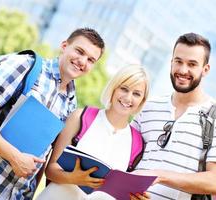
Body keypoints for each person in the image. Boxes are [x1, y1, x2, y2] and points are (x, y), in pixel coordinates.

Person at [0, 27, 105, 200]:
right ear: (64, 45)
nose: (82, 61)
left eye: (91, 60)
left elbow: (43, 156)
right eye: (79, 51)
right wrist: (16, 158)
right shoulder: (25, 66)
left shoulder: (71, 104)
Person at [130, 33, 216, 200]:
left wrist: (160, 176)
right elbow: (128, 157)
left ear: (205, 69)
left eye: (192, 64)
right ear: (171, 62)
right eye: (178, 61)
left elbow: (215, 182)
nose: (182, 70)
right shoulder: (149, 107)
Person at [36, 65, 150, 200]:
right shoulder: (80, 117)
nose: (128, 98)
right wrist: (72, 178)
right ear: (113, 89)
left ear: (142, 100)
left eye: (136, 94)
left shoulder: (137, 144)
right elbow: (50, 170)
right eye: (124, 89)